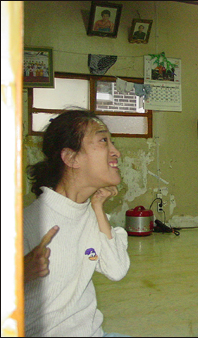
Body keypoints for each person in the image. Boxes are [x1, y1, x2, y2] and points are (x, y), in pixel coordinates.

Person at [23, 110, 131, 337]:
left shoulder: (91, 215)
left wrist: (99, 208)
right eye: (103, 141)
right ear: (71, 158)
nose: (116, 153)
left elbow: (117, 270)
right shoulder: (28, 223)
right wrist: (19, 274)